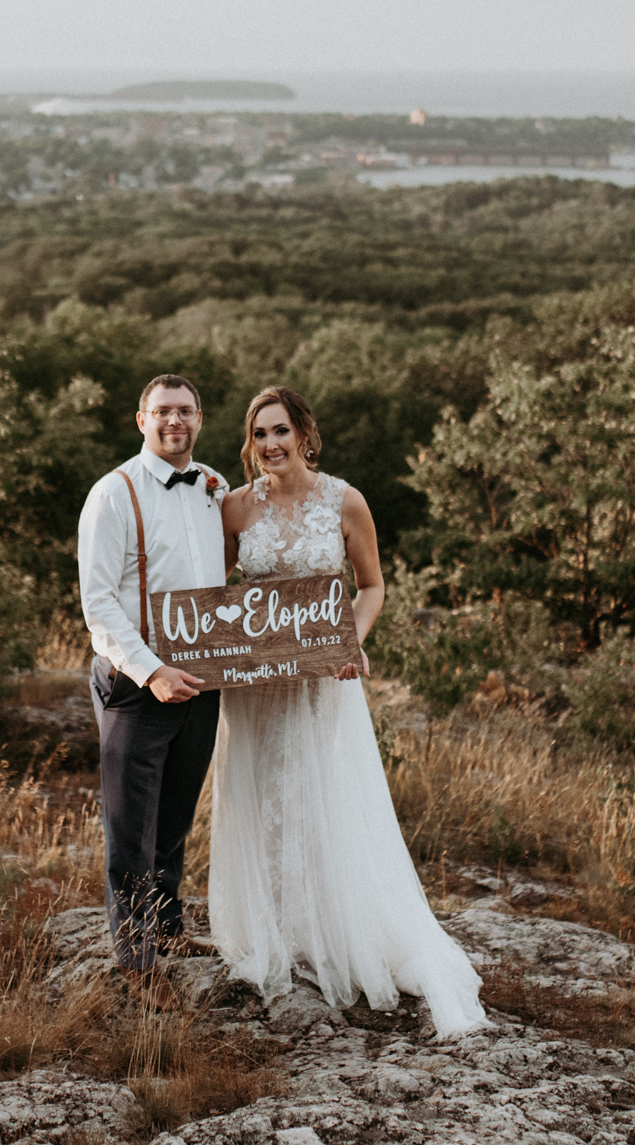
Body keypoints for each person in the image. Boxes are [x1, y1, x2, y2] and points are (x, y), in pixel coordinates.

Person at [210, 385, 491, 1039]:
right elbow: (211, 589)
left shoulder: (344, 500)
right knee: (262, 799)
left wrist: (351, 641)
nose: (270, 444)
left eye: (281, 431)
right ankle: (274, 935)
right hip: (253, 686)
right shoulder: (234, 507)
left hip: (320, 681)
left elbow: (372, 585)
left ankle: (329, 932)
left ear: (305, 434)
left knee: (318, 796)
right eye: (259, 433)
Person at [77, 373, 229, 1012]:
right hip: (138, 683)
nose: (175, 422)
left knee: (175, 812)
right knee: (130, 824)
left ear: (200, 418)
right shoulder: (113, 495)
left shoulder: (212, 488)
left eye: (186, 411)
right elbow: (98, 604)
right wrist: (152, 671)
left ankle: (167, 926)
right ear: (140, 419)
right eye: (163, 411)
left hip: (202, 678)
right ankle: (135, 959)